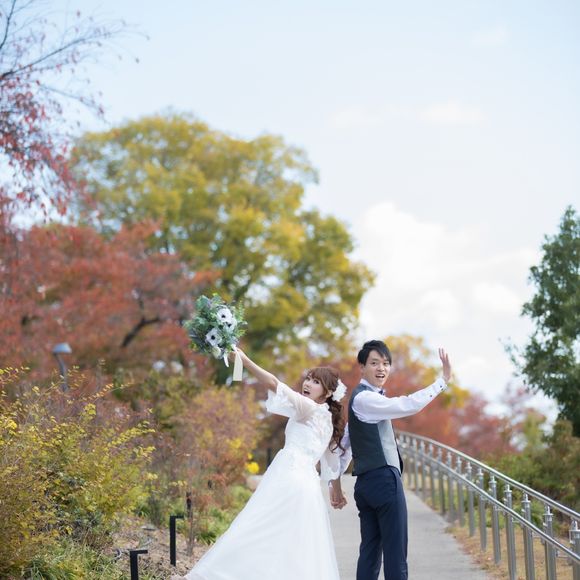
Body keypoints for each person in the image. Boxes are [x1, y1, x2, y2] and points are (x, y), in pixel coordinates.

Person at [185, 348, 350, 580]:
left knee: (256, 526)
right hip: (308, 487)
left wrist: (245, 360)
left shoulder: (308, 407)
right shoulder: (328, 421)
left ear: (329, 392)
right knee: (294, 543)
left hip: (288, 477)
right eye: (308, 378)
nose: (307, 383)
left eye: (316, 382)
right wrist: (336, 492)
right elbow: (333, 464)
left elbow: (273, 383)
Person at [329, 340, 452, 580]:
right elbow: (408, 404)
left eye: (386, 363)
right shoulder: (367, 399)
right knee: (396, 554)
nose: (381, 368)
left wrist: (335, 482)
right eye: (374, 363)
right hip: (384, 481)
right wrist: (443, 381)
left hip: (365, 485)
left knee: (370, 553)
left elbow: (344, 446)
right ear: (362, 367)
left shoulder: (358, 399)